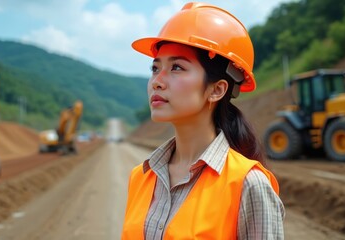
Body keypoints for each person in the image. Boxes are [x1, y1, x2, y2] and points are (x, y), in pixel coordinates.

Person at [122, 2, 285, 240]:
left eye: (176, 67)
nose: (157, 81)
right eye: (155, 68)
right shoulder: (141, 177)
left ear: (217, 90)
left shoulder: (249, 184)